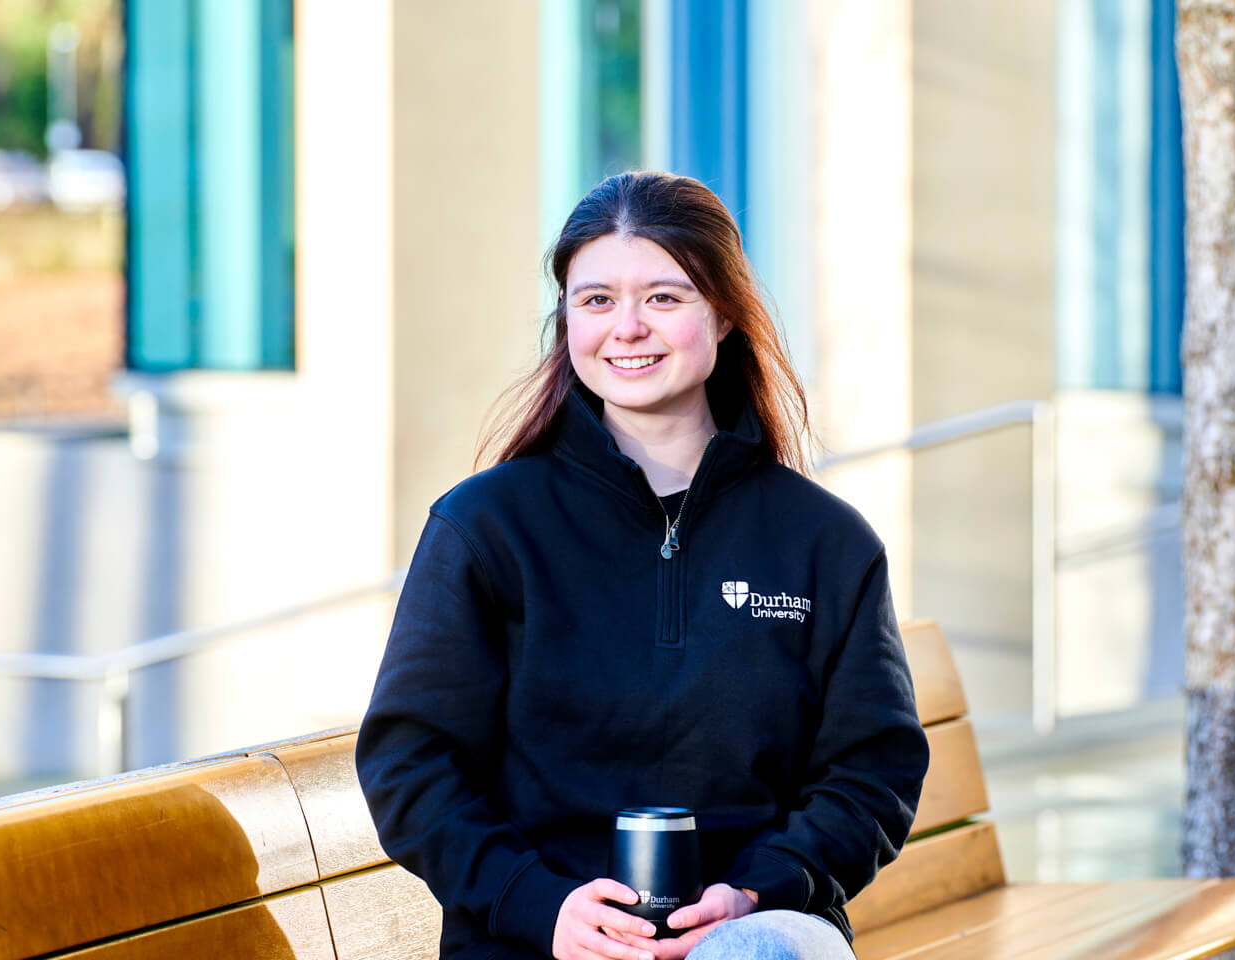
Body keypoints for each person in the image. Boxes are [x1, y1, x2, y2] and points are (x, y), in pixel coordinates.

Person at [356, 171, 929, 960]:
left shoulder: (824, 543)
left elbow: (872, 769)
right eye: (596, 301)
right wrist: (542, 906)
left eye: (663, 297)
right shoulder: (485, 526)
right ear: (567, 320)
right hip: (538, 942)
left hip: (749, 938)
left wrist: (759, 889)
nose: (626, 328)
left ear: (723, 312)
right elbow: (410, 762)